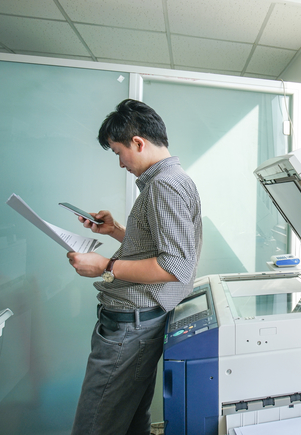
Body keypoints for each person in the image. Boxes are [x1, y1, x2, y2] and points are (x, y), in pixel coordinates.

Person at [66, 98, 202, 435]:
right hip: (137, 328)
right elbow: (158, 247)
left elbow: (174, 267)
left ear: (138, 142)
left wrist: (105, 266)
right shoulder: (173, 180)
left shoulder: (164, 186)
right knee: (129, 424)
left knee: (93, 427)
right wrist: (113, 231)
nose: (120, 163)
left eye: (117, 152)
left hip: (129, 331)